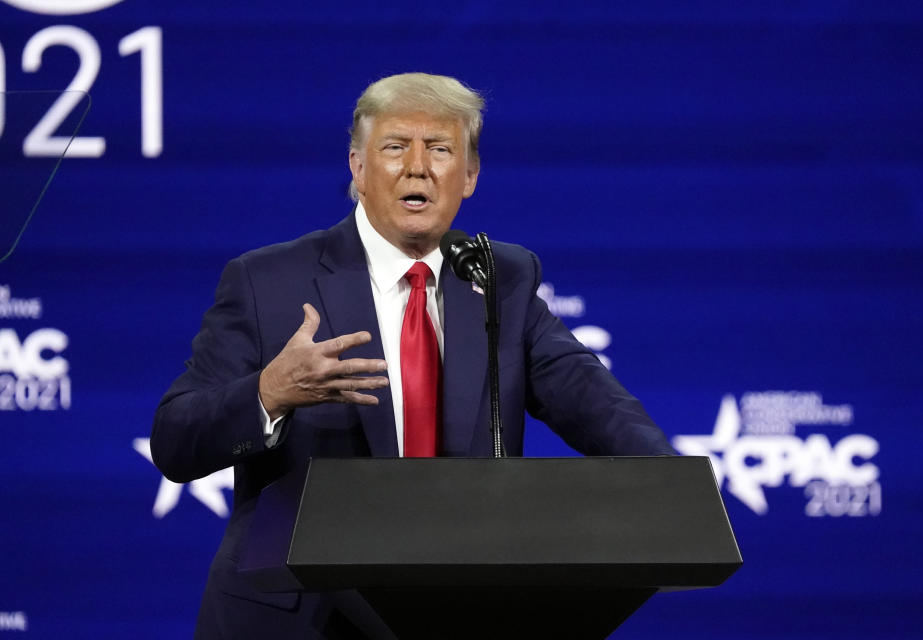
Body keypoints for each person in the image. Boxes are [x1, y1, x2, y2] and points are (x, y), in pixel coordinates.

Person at [152, 72, 675, 639]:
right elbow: (175, 440)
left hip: (454, 616)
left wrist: (674, 484)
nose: (418, 167)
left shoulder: (499, 278)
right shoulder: (267, 281)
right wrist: (269, 394)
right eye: (396, 147)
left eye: (442, 149)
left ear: (470, 175)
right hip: (300, 619)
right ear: (357, 168)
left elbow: (587, 395)